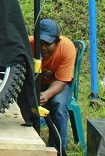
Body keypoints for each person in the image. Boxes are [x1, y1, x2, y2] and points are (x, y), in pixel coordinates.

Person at [29, 18, 76, 152]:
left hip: (58, 84)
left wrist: (47, 95)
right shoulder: (29, 44)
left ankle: (57, 149)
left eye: (48, 44)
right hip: (35, 83)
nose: (43, 48)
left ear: (57, 42)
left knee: (59, 104)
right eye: (40, 43)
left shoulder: (67, 48)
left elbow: (62, 80)